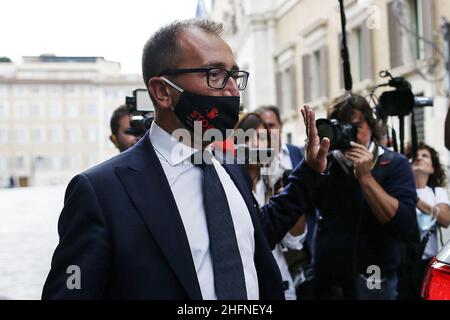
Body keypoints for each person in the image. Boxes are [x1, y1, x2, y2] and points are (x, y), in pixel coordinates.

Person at [42, 19, 330, 300]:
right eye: (215, 75)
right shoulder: (102, 191)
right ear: (163, 91)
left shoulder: (229, 168)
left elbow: (253, 237)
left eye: (234, 75)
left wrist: (309, 172)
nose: (231, 90)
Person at [311, 94, 418, 300]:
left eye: (355, 127)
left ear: (370, 125)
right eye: (341, 128)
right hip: (330, 279)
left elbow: (405, 225)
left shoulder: (395, 164)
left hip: (375, 275)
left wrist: (366, 178)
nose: (349, 136)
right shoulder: (326, 165)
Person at [234, 112, 306, 300]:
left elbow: (294, 241)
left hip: (279, 280)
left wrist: (288, 194)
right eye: (247, 138)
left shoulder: (276, 179)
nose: (255, 144)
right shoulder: (228, 182)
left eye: (262, 138)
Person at [409, 143, 450, 298]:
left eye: (425, 156)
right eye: (415, 156)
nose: (419, 157)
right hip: (403, 263)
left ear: (433, 168)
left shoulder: (436, 192)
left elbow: (445, 219)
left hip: (425, 263)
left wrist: (415, 200)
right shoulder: (398, 188)